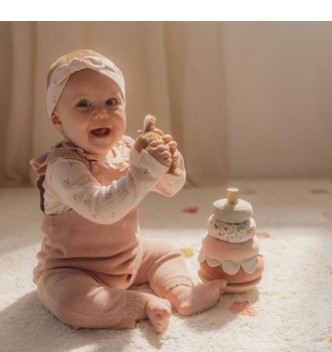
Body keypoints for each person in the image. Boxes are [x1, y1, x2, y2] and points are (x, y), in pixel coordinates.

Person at [30, 49, 226, 333]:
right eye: (84, 104)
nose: (101, 112)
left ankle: (181, 292)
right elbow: (102, 209)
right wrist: (145, 169)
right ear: (58, 120)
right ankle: (140, 303)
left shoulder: (126, 148)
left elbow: (169, 188)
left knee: (166, 252)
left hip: (129, 256)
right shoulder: (63, 168)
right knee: (71, 303)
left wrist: (170, 163)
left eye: (111, 101)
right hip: (73, 270)